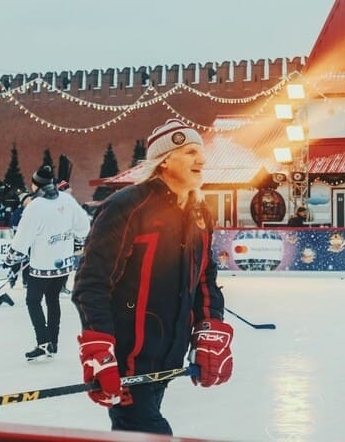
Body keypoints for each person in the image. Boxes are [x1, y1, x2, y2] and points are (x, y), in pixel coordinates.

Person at [72, 119, 230, 435]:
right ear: (164, 159)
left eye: (200, 152)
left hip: (169, 354)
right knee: (146, 430)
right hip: (129, 358)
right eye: (189, 152)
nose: (200, 160)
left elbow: (204, 280)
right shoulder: (128, 206)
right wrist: (99, 347)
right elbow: (92, 282)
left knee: (137, 430)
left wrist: (209, 329)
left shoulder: (200, 213)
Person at [6, 165, 91, 360]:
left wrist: (11, 258)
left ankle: (43, 342)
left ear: (36, 185)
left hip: (42, 267)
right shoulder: (67, 199)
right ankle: (53, 342)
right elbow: (83, 226)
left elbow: (22, 238)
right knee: (52, 300)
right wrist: (76, 238)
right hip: (63, 265)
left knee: (33, 301)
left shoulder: (35, 206)